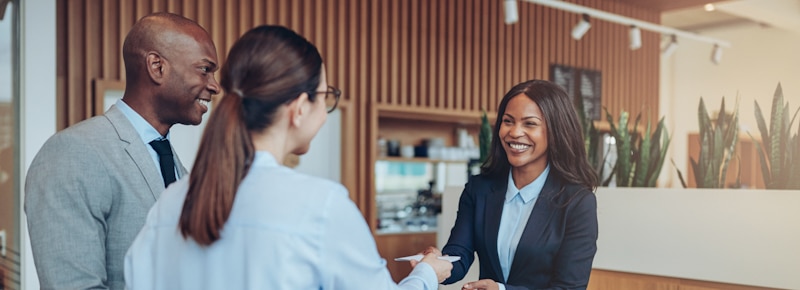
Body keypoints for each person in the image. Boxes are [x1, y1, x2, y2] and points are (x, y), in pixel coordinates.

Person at [123, 25, 452, 290]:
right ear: (298, 108)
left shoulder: (169, 204)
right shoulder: (321, 207)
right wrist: (425, 275)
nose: (325, 110)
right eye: (325, 96)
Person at [24, 12, 219, 290]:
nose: (215, 85)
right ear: (156, 66)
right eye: (204, 69)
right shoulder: (74, 153)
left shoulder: (177, 168)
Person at [429, 80, 599, 290]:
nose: (515, 132)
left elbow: (569, 287)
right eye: (508, 121)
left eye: (530, 123)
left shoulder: (577, 202)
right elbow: (458, 254)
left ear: (555, 131)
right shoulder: (479, 189)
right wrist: (433, 266)